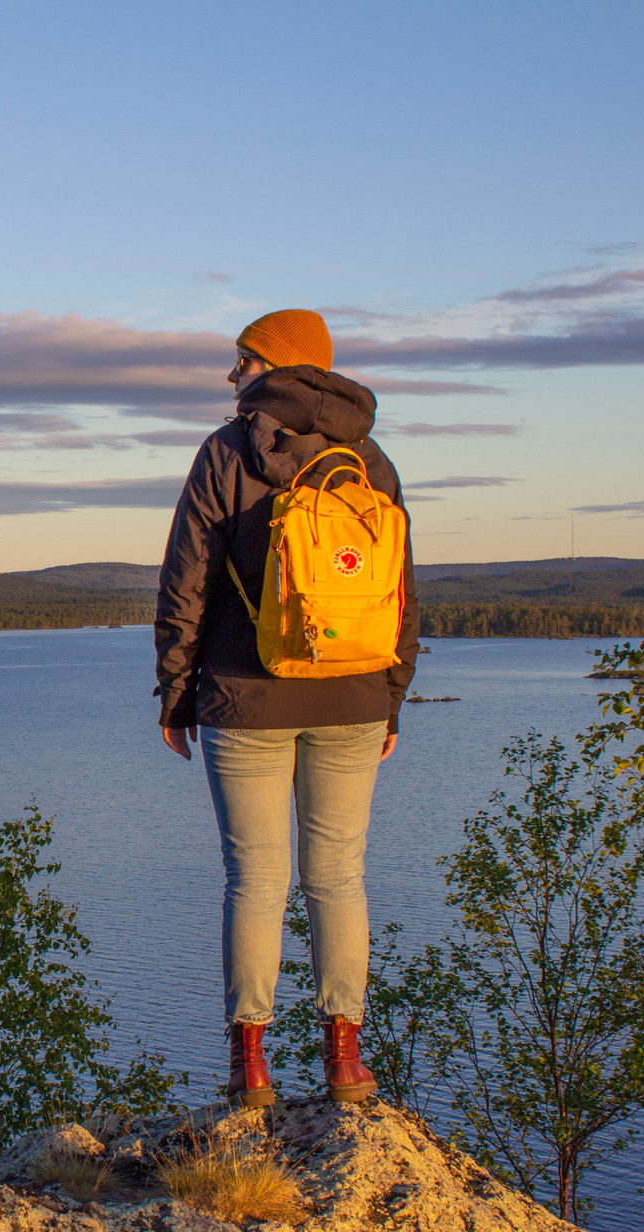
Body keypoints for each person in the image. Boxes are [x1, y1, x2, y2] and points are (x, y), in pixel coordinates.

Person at [152, 308, 418, 1108]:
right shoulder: (369, 458)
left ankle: (252, 1067)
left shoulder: (226, 454)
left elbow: (185, 583)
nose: (232, 375)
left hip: (246, 697)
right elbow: (400, 593)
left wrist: (175, 694)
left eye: (242, 360)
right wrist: (392, 699)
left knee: (256, 880)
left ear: (278, 364)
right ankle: (345, 1062)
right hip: (355, 695)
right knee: (338, 876)